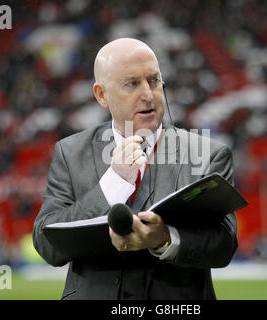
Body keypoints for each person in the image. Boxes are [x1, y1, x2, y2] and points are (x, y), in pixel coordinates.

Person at [33, 38, 238, 300]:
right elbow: (47, 243)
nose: (148, 94)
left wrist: (164, 238)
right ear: (101, 95)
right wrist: (112, 185)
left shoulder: (209, 155)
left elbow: (224, 245)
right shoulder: (70, 152)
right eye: (132, 84)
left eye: (154, 81)